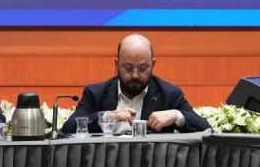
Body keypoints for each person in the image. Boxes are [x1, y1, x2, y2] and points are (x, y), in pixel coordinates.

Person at [62, 33, 211, 134]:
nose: (135, 75)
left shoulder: (169, 94)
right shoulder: (96, 93)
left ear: (153, 64)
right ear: (116, 64)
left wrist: (177, 115)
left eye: (142, 68)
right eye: (128, 68)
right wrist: (107, 117)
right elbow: (68, 128)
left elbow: (206, 129)